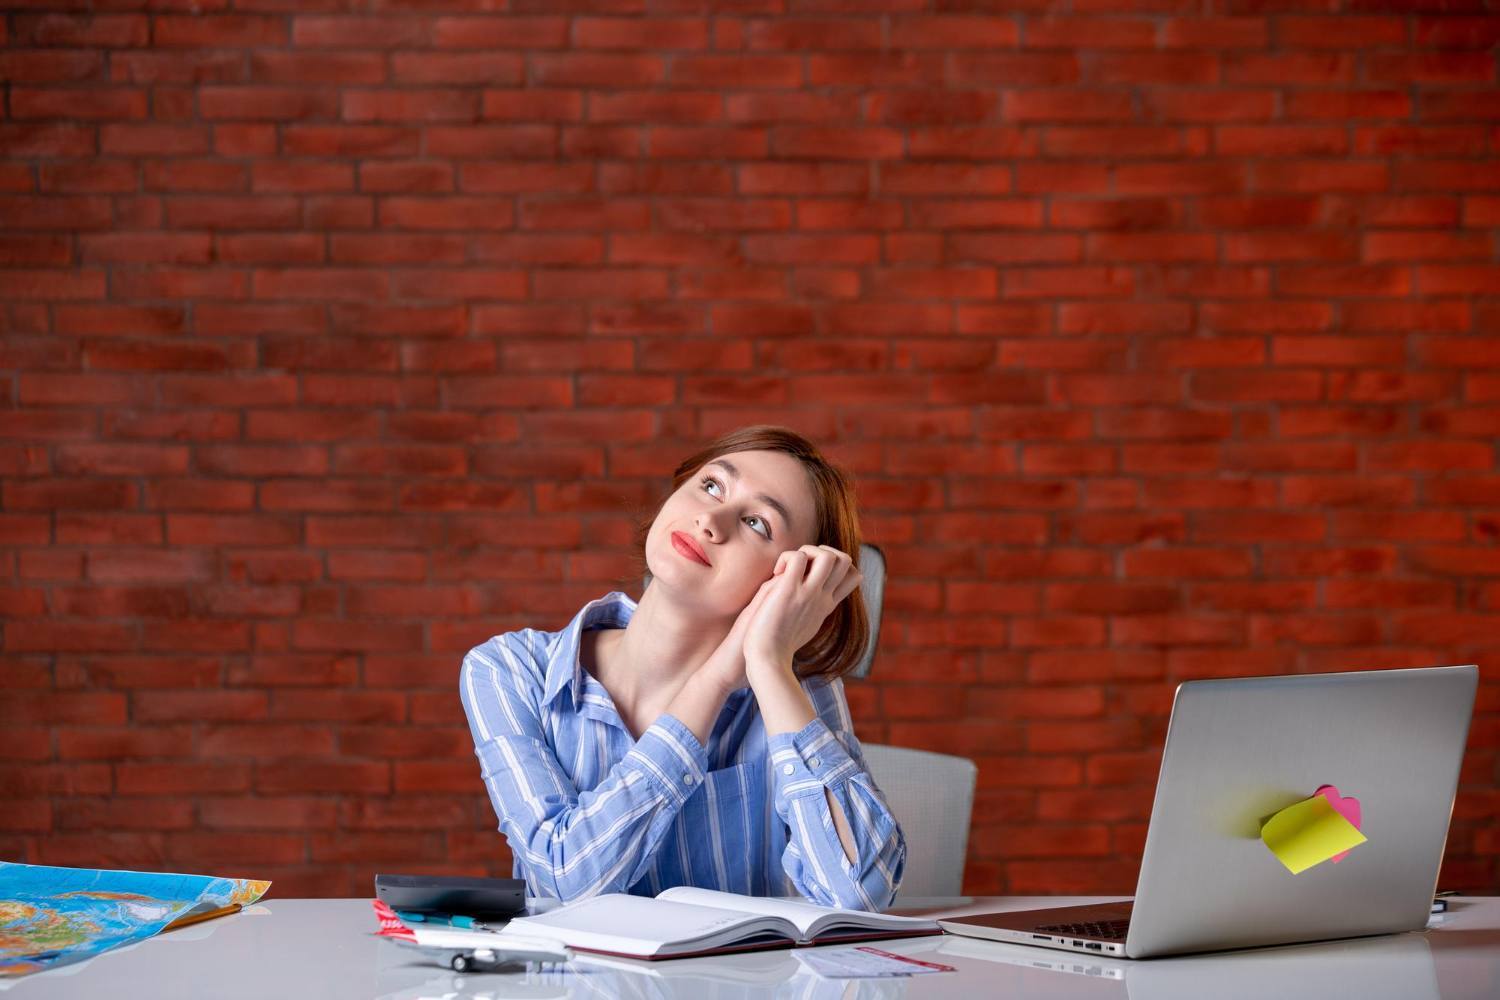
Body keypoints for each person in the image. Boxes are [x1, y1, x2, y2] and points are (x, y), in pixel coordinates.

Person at [459, 425, 906, 910]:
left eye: (758, 524)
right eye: (711, 485)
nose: (711, 520)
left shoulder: (793, 690)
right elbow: (568, 883)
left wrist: (768, 664)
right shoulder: (512, 670)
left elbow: (860, 892)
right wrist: (712, 684)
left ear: (788, 583)